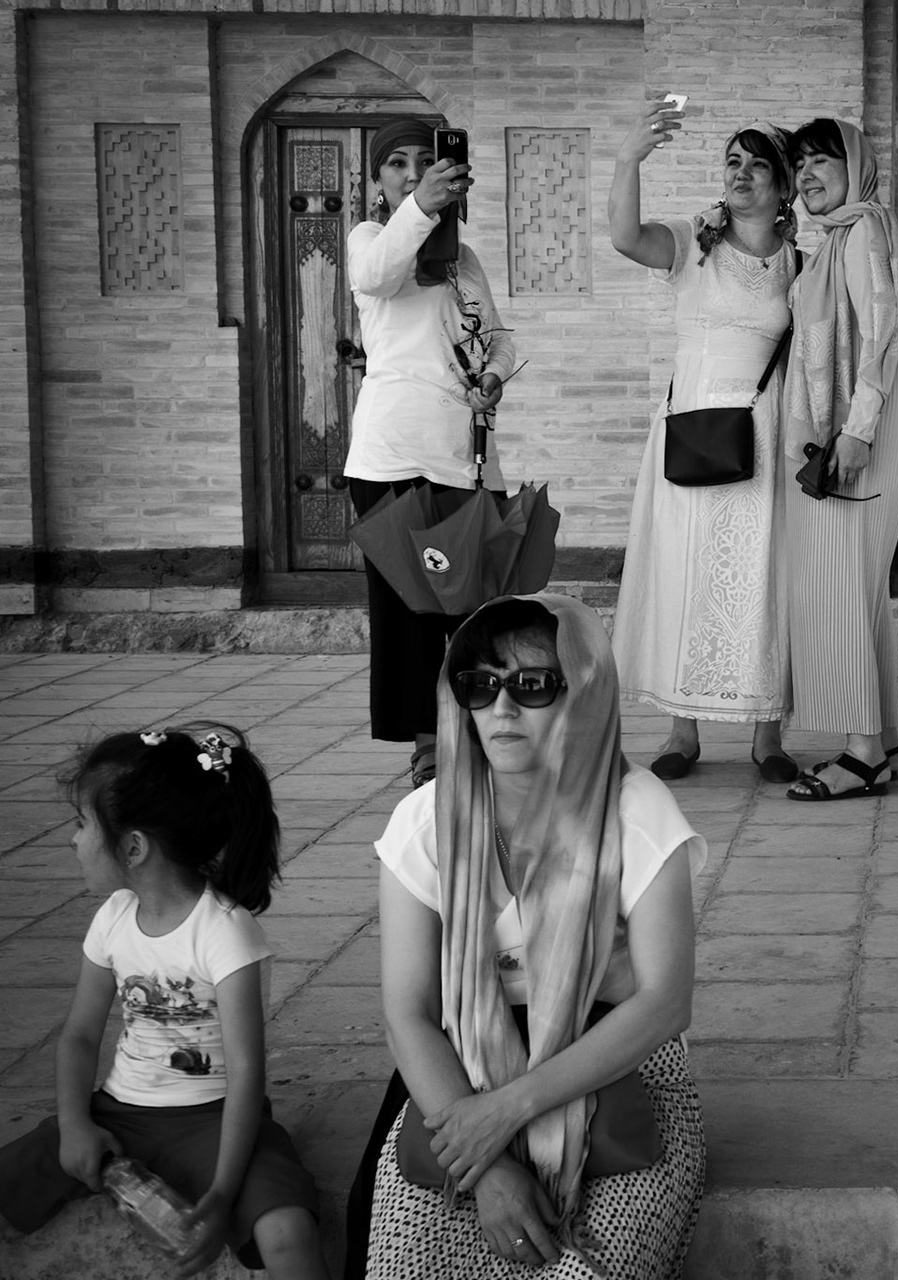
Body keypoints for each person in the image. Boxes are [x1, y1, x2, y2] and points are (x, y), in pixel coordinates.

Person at [354, 593, 706, 1279]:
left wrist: (510, 1108)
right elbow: (409, 1013)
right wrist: (485, 1162)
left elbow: (665, 1002)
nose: (502, 709)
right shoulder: (425, 822)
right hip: (459, 1078)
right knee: (406, 1266)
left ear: (584, 694)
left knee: (578, 1271)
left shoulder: (635, 812)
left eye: (533, 685)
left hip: (616, 1066)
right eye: (479, 685)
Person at [0, 725, 327, 1278]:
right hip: (119, 1114)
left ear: (133, 847)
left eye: (82, 825)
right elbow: (79, 1035)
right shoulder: (111, 919)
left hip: (215, 1122)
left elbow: (248, 1072)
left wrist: (223, 1191)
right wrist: (75, 1121)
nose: (73, 840)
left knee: (287, 1229)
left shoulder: (225, 931)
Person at [607, 105, 801, 783]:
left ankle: (767, 734)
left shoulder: (800, 264)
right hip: (691, 426)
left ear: (783, 187)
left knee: (761, 573)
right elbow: (625, 237)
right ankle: (680, 731)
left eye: (757, 165)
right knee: (685, 571)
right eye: (733, 162)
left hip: (767, 435)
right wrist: (630, 157)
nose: (742, 174)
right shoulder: (694, 243)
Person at [346, 119, 516, 790]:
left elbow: (497, 336)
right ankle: (424, 746)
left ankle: (482, 730)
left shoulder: (465, 260)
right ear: (378, 182)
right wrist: (424, 206)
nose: (413, 173)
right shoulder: (369, 240)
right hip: (393, 456)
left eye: (427, 160)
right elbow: (378, 275)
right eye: (398, 164)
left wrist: (494, 375)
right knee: (410, 615)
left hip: (467, 455)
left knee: (476, 609)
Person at [780, 118, 898, 801]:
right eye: (799, 164)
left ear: (856, 165)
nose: (806, 173)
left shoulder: (865, 231)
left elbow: (881, 337)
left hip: (866, 437)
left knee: (839, 589)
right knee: (861, 598)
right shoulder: (841, 236)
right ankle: (882, 743)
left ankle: (861, 754)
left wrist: (856, 432)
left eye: (820, 160)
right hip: (859, 433)